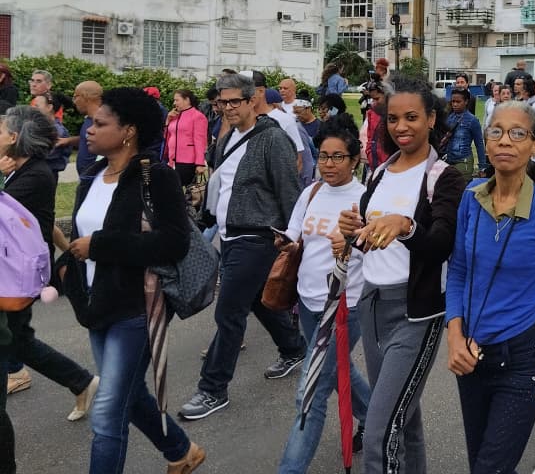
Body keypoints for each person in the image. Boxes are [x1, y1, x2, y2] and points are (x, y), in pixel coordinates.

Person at [60, 88, 205, 473]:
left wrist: (102, 245)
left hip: (136, 307)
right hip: (97, 306)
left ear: (129, 132)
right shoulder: (91, 178)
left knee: (107, 414)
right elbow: (81, 240)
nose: (88, 130)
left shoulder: (155, 176)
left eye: (100, 123)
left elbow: (174, 242)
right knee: (127, 392)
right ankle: (181, 450)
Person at [333, 75, 466, 474]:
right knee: (402, 420)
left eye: (411, 117)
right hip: (371, 304)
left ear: (430, 119)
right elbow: (369, 237)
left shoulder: (444, 176)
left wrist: (406, 226)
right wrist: (350, 233)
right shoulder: (380, 172)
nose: (401, 127)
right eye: (393, 119)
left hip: (415, 313)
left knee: (378, 431)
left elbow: (442, 243)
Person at [446, 101, 535, 473]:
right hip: (471, 357)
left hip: (521, 360)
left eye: (518, 133)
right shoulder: (470, 197)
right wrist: (454, 334)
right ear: (486, 143)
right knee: (481, 462)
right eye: (496, 131)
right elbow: (458, 270)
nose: (505, 141)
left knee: (490, 467)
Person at [179, 73, 306, 422]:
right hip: (229, 234)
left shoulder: (272, 140)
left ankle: (212, 389)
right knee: (254, 301)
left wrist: (292, 239)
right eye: (224, 101)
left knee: (229, 312)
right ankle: (295, 348)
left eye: (236, 101)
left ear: (253, 101)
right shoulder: (227, 138)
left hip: (258, 237)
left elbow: (289, 191)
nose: (229, 107)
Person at [277, 115, 371, 473]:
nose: (328, 164)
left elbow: (377, 247)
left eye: (337, 157)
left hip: (345, 306)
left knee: (311, 392)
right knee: (337, 368)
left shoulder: (364, 198)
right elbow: (295, 230)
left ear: (355, 159)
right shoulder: (311, 191)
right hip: (307, 299)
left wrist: (350, 246)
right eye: (323, 155)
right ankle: (377, 417)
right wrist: (285, 241)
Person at [0, 106, 99, 419]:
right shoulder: (24, 170)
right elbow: (47, 221)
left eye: (1, 131)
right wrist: (64, 246)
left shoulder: (33, 176)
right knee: (17, 341)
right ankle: (81, 380)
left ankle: (81, 381)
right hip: (15, 271)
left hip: (15, 275)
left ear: (14, 137)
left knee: (12, 340)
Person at [164, 90, 208, 188]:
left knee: (178, 188)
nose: (174, 103)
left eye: (177, 100)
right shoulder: (175, 116)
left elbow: (200, 141)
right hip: (172, 159)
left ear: (187, 100)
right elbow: (167, 136)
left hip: (187, 160)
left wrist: (200, 163)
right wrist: (168, 120)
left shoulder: (197, 116)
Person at [443, 87, 487, 179]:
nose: (454, 104)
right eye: (453, 101)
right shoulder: (450, 118)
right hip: (448, 161)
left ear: (466, 102)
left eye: (458, 102)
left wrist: (482, 167)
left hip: (464, 162)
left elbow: (479, 144)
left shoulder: (472, 120)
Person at [29, 92, 71, 177]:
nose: (32, 108)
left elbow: (44, 154)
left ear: (49, 107)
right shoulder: (37, 126)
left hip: (45, 175)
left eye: (36, 106)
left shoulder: (57, 131)